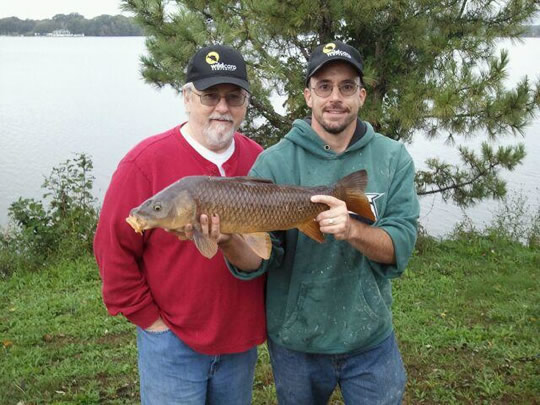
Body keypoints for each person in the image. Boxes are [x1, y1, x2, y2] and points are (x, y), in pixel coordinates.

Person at [216, 40, 420, 404]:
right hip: (297, 342)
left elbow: (400, 245)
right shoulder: (274, 164)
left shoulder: (393, 158)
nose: (335, 97)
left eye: (345, 87)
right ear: (308, 96)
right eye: (324, 86)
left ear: (361, 96)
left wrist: (353, 229)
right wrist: (229, 240)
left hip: (369, 338)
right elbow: (263, 260)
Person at [93, 44, 266, 405]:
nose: (222, 107)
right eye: (209, 96)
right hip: (172, 343)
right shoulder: (145, 163)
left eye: (233, 97)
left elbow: (270, 251)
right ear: (187, 97)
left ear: (246, 104)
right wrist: (151, 322)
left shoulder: (260, 160)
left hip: (239, 343)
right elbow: (113, 248)